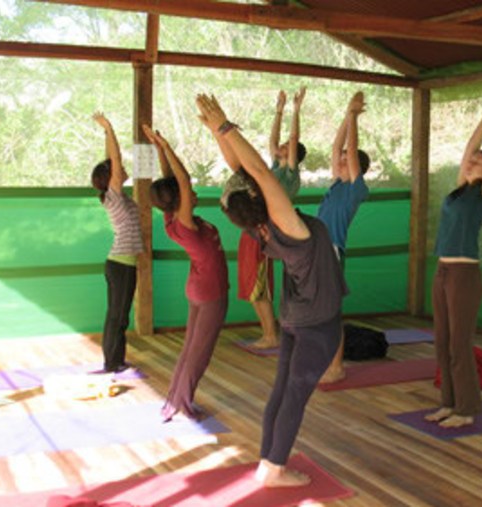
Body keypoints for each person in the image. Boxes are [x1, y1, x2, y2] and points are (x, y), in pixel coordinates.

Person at [197, 93, 346, 487]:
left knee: (282, 392)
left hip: (296, 318)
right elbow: (260, 174)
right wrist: (225, 127)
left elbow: (246, 173)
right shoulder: (289, 226)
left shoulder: (257, 225)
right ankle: (274, 468)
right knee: (293, 396)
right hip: (317, 324)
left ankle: (269, 462)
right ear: (260, 198)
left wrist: (219, 134)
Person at [424, 91, 482, 429]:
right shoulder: (459, 190)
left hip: (464, 275)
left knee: (460, 343)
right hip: (443, 270)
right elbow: (468, 150)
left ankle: (467, 408)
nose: (473, 160)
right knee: (442, 342)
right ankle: (449, 402)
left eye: (481, 160)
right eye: (474, 159)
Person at [143, 125, 229, 422]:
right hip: (211, 292)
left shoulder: (172, 218)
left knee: (190, 348)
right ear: (180, 199)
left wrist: (158, 148)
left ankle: (174, 400)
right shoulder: (185, 225)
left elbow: (172, 181)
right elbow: (181, 179)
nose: (193, 192)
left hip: (197, 288)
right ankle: (182, 404)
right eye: (189, 192)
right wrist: (165, 143)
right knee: (199, 353)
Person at [239, 87, 307, 350]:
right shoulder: (275, 168)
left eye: (287, 147)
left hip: (266, 232)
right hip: (254, 227)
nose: (280, 146)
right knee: (250, 285)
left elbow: (292, 136)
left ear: (294, 156)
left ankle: (271, 335)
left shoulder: (290, 174)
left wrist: (296, 110)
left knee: (259, 286)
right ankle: (269, 332)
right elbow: (273, 140)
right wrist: (278, 110)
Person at [318, 91, 371, 384]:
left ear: (356, 168)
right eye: (338, 160)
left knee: (330, 312)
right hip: (319, 250)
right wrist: (346, 114)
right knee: (318, 311)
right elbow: (337, 146)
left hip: (333, 251)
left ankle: (336, 367)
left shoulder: (356, 189)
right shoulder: (337, 185)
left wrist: (353, 118)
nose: (337, 160)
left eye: (344, 160)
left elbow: (349, 150)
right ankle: (325, 361)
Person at [90, 113, 144, 373]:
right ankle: (111, 363)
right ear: (110, 176)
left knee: (120, 315)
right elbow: (115, 159)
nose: (123, 170)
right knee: (117, 316)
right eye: (116, 170)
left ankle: (117, 360)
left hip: (124, 264)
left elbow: (111, 162)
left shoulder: (117, 196)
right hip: (121, 264)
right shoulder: (113, 196)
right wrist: (109, 128)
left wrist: (105, 135)